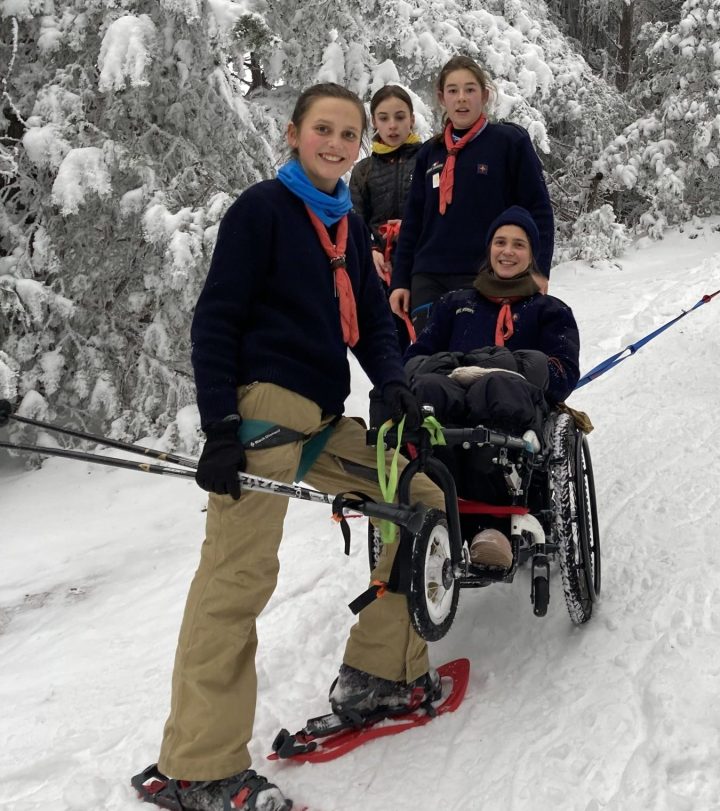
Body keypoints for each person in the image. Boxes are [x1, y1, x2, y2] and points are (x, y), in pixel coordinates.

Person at [134, 83, 445, 811]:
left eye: (349, 133)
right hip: (264, 413)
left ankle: (383, 673)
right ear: (293, 134)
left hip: (321, 418)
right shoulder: (263, 212)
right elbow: (216, 321)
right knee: (235, 582)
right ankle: (200, 767)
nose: (336, 143)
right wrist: (218, 427)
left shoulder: (343, 225)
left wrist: (392, 383)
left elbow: (372, 324)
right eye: (323, 130)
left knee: (417, 497)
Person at [403, 206, 580, 568]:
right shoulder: (454, 304)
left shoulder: (549, 310)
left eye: (519, 244)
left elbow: (563, 372)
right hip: (454, 390)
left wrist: (515, 366)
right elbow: (415, 356)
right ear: (489, 249)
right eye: (500, 242)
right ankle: (436, 517)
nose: (507, 251)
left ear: (532, 255)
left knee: (496, 387)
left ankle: (491, 529)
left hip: (514, 399)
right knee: (428, 393)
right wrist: (447, 365)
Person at [388, 55, 555, 335]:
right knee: (429, 367)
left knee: (479, 367)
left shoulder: (509, 143)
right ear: (442, 98)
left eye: (470, 90)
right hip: (428, 277)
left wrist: (539, 270)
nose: (461, 99)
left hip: (489, 275)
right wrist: (401, 280)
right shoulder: (429, 153)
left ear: (485, 95)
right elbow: (413, 222)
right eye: (453, 91)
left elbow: (538, 210)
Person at [350, 84, 422, 347]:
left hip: (422, 266)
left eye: (400, 117)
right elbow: (355, 218)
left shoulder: (428, 159)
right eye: (384, 118)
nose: (392, 125)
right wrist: (371, 249)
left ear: (412, 120)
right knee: (387, 344)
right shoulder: (363, 170)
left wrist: (412, 227)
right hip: (379, 270)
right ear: (374, 122)